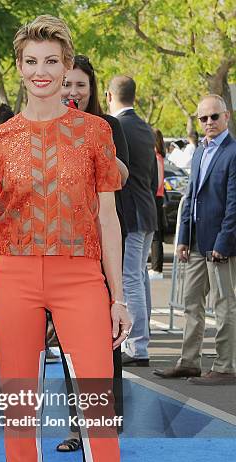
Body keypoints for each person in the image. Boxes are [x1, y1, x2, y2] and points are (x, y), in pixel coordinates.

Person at [0, 15, 141, 462]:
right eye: (31, 62)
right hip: (14, 278)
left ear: (68, 69)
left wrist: (119, 297)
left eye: (52, 62)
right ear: (18, 68)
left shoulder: (94, 134)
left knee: (98, 419)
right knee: (19, 416)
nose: (41, 73)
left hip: (81, 278)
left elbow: (109, 220)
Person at [56, 53, 129, 452]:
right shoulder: (41, 126)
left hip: (100, 246)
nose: (72, 92)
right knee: (67, 343)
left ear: (91, 89)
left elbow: (124, 175)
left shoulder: (108, 126)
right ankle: (73, 426)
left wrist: (88, 138)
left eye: (80, 84)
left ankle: (105, 419)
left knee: (103, 338)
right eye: (67, 84)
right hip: (59, 247)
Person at [154, 94, 236, 385]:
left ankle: (226, 366)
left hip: (220, 245)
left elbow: (233, 205)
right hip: (197, 242)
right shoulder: (200, 152)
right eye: (204, 118)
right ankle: (189, 362)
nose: (209, 122)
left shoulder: (233, 152)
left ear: (226, 117)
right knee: (192, 302)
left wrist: (223, 244)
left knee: (224, 304)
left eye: (215, 116)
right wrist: (184, 238)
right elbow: (191, 198)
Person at [107, 75, 158, 366]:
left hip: (134, 213)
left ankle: (138, 346)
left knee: (131, 279)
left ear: (110, 95)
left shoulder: (120, 127)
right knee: (139, 277)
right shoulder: (144, 127)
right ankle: (142, 339)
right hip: (147, 209)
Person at [149, 128, 166, 280]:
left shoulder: (156, 157)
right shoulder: (159, 156)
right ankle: (156, 268)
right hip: (157, 197)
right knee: (155, 234)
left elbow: (159, 180)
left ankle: (157, 268)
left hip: (155, 197)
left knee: (156, 235)